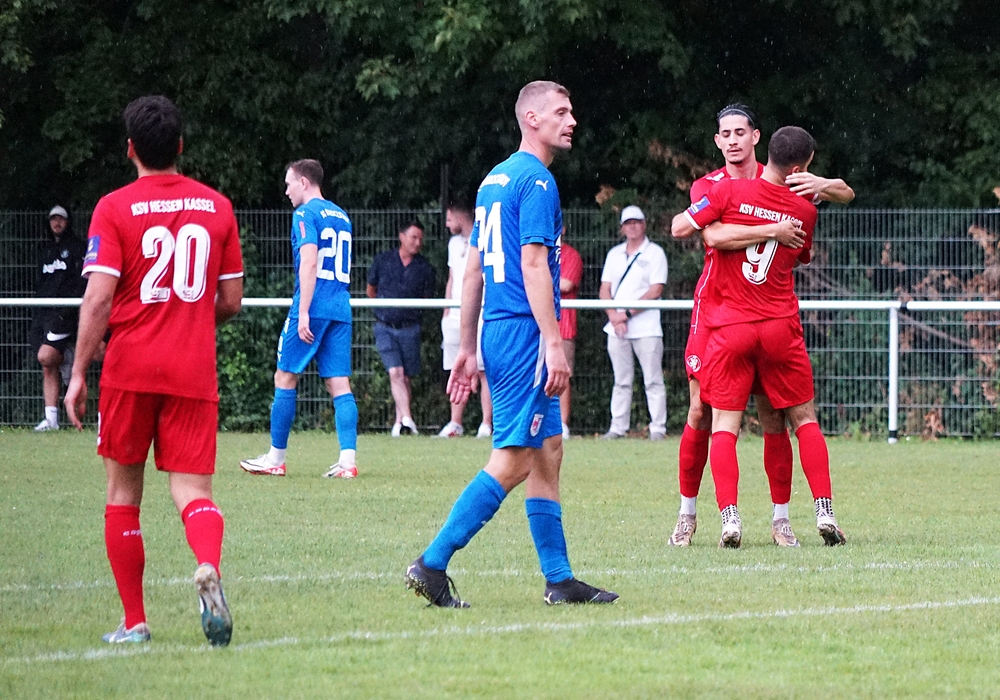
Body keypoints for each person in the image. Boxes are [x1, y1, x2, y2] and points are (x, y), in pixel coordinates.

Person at [405, 80, 618, 607]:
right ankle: (432, 563)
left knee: (548, 451)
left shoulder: (494, 179)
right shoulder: (537, 181)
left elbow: (474, 269)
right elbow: (533, 265)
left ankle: (559, 579)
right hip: (525, 333)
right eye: (561, 112)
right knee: (516, 459)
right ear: (531, 118)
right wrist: (552, 341)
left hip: (499, 330)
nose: (571, 121)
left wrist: (466, 345)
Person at [64, 95, 243, 646]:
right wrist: (186, 321)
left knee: (123, 494)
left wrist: (78, 371)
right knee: (193, 490)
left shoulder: (113, 207)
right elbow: (231, 301)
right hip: (192, 369)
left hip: (130, 369)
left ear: (130, 149)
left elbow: (99, 299)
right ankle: (207, 564)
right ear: (180, 146)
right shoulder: (218, 207)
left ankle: (135, 621)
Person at [668, 104, 855, 547]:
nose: (733, 140)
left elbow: (846, 192)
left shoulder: (789, 185)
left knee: (767, 416)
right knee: (700, 410)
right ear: (718, 141)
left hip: (739, 320)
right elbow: (709, 236)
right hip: (717, 312)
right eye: (725, 133)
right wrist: (773, 228)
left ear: (757, 138)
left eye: (740, 132)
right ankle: (687, 513)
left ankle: (776, 519)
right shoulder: (713, 185)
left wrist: (822, 183)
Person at [239, 159, 359, 479]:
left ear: (304, 182)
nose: (286, 190)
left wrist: (303, 311)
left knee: (285, 376)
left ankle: (275, 458)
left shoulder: (305, 214)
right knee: (339, 383)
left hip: (313, 305)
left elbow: (309, 261)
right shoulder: (341, 215)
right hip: (340, 306)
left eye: (289, 183)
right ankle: (347, 461)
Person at [598, 205, 668, 441]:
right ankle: (617, 427)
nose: (633, 226)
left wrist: (625, 314)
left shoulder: (655, 253)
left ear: (644, 224)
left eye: (637, 222)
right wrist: (613, 316)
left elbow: (655, 290)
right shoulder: (614, 254)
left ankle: (658, 428)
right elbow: (605, 289)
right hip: (616, 328)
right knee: (621, 380)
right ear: (622, 228)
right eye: (628, 223)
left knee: (653, 379)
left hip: (647, 328)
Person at [367, 220, 435, 436]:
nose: (418, 242)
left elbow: (427, 298)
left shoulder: (425, 268)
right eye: (414, 237)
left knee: (404, 377)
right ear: (402, 237)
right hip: (384, 326)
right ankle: (408, 419)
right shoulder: (383, 260)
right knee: (395, 372)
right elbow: (371, 289)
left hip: (410, 328)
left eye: (420, 239)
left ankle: (400, 423)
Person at [437, 201, 493, 439]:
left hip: (480, 312)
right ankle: (455, 423)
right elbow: (452, 278)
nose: (447, 224)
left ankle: (486, 424)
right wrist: (447, 309)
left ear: (460, 216)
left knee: (483, 369)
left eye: (450, 218)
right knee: (455, 366)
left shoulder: (484, 239)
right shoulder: (453, 244)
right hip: (455, 314)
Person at [30, 205, 87, 431]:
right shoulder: (44, 251)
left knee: (47, 356)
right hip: (45, 314)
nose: (57, 223)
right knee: (48, 364)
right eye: (53, 218)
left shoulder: (77, 248)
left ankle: (71, 365)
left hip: (67, 313)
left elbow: (83, 282)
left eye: (61, 219)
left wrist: (69, 310)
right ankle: (51, 419)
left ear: (68, 221)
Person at [558, 229, 583, 439]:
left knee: (563, 376)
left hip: (563, 327)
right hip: (536, 327)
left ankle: (562, 424)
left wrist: (537, 279)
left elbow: (566, 284)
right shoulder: (537, 251)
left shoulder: (571, 255)